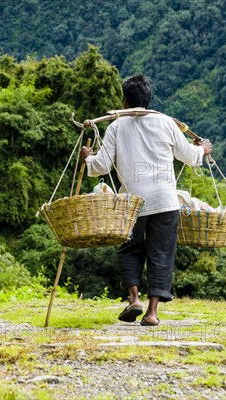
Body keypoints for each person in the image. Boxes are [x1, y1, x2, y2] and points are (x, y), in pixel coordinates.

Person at [80, 75, 212, 326]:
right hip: (165, 201)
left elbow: (101, 165)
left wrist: (87, 157)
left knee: (129, 248)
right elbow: (188, 155)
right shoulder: (165, 122)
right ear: (148, 100)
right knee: (161, 252)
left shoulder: (117, 126)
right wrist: (202, 150)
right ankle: (152, 313)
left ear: (125, 100)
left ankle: (134, 299)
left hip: (132, 204)